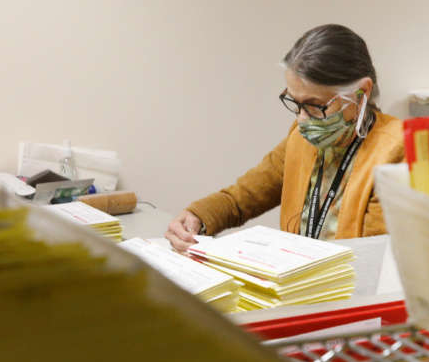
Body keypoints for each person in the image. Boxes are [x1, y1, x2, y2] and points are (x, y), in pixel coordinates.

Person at [166, 24, 404, 252]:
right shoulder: (301, 139)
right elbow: (242, 197)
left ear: (362, 92)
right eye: (295, 103)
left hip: (350, 288)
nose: (302, 119)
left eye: (315, 105)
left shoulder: (398, 150)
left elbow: (374, 257)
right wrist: (196, 217)